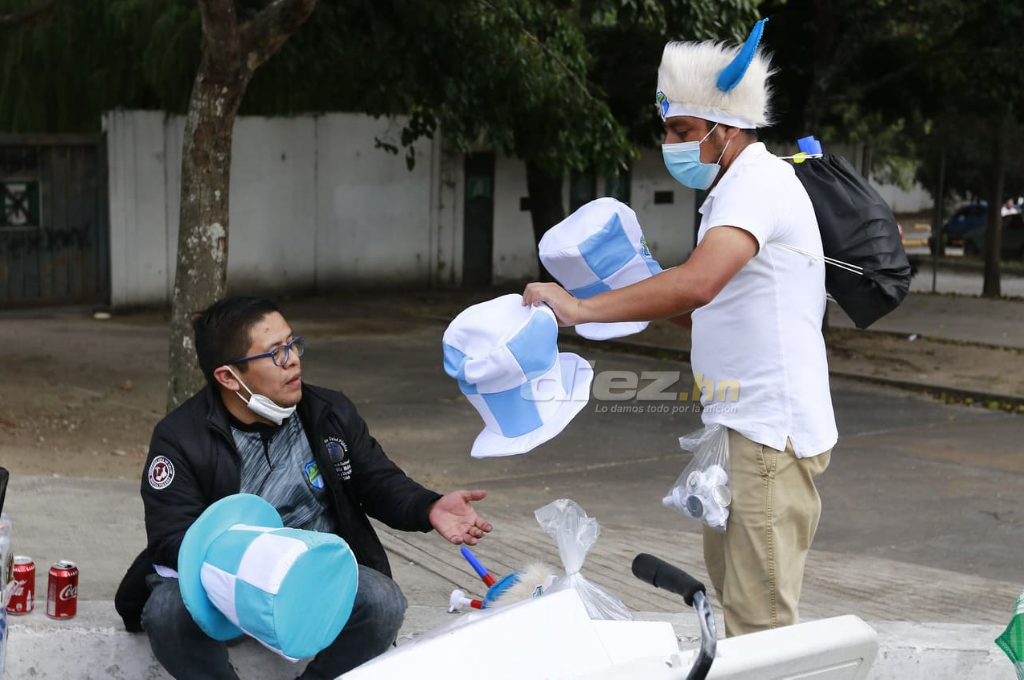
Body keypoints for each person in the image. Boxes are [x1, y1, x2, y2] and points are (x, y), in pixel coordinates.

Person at [522, 21, 837, 637]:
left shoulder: (757, 183)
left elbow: (698, 283)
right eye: (667, 128)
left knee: (761, 625)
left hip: (769, 438)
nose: (669, 143)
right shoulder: (730, 191)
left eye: (682, 131)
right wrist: (630, 286)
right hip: (740, 429)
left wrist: (583, 309)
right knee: (736, 602)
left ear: (726, 128)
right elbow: (704, 304)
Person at [115, 296, 492, 679]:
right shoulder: (180, 437)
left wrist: (429, 507)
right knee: (166, 611)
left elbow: (378, 481)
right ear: (229, 377)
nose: (293, 359)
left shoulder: (328, 413)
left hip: (312, 577)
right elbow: (171, 536)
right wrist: (258, 562)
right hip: (225, 586)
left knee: (381, 601)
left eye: (293, 344)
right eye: (275, 353)